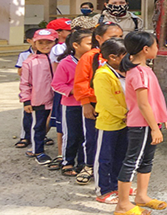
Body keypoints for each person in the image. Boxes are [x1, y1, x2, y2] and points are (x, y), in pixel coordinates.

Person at [116, 31, 167, 215]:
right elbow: (142, 104)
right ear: (146, 49)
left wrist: (164, 115)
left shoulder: (145, 70)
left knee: (146, 161)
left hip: (150, 122)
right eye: (155, 45)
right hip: (142, 125)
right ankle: (122, 204)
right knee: (132, 162)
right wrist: (154, 128)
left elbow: (152, 100)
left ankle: (141, 196)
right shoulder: (139, 73)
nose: (157, 49)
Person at [73, 22, 124, 185]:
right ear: (99, 38)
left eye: (120, 37)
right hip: (95, 105)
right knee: (92, 137)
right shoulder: (90, 56)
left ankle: (112, 172)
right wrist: (85, 103)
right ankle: (89, 165)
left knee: (113, 142)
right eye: (113, 37)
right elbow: (80, 81)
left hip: (116, 106)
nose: (118, 40)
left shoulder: (123, 56)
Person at [51, 29, 93, 177]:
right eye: (89, 43)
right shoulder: (65, 63)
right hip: (71, 105)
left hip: (90, 104)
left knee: (86, 135)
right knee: (71, 134)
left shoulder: (95, 61)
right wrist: (74, 90)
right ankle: (67, 161)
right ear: (76, 45)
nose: (93, 46)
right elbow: (56, 84)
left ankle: (83, 163)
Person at [92, 38, 128, 204]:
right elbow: (108, 102)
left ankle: (116, 186)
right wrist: (127, 115)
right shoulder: (102, 75)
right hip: (109, 123)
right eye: (125, 55)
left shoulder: (124, 72)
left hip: (124, 123)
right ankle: (103, 190)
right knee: (104, 158)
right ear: (113, 57)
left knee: (120, 156)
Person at [19, 29, 58, 165]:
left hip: (59, 99)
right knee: (39, 126)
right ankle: (38, 151)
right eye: (40, 42)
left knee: (61, 126)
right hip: (39, 100)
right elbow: (25, 83)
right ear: (34, 43)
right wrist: (26, 101)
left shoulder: (60, 59)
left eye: (49, 42)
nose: (45, 46)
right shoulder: (30, 62)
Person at [46, 17, 72, 170]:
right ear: (59, 33)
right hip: (63, 90)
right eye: (68, 31)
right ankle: (61, 153)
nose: (71, 33)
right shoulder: (58, 49)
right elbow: (57, 74)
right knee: (60, 122)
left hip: (71, 90)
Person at [14, 28, 39, 149]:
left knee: (41, 115)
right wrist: (30, 61)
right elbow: (20, 71)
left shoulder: (48, 54)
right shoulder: (24, 55)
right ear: (29, 40)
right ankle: (25, 136)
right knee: (28, 113)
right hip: (29, 88)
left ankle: (41, 136)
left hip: (42, 88)